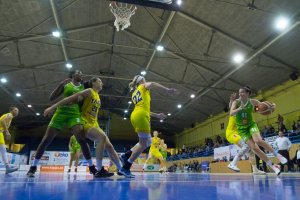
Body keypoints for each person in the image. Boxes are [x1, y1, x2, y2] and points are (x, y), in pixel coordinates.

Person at [44, 77, 123, 177]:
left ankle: (121, 169)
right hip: (85, 122)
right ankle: (100, 170)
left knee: (110, 146)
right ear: (93, 83)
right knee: (101, 137)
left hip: (94, 123)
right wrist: (52, 107)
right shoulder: (89, 91)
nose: (102, 83)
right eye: (99, 81)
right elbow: (70, 98)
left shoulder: (97, 96)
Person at [27, 70, 96, 177]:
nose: (81, 74)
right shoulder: (66, 85)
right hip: (61, 112)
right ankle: (33, 167)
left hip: (75, 114)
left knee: (82, 139)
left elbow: (85, 100)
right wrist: (60, 85)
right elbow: (51, 98)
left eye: (82, 72)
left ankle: (92, 168)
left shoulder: (84, 87)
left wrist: (80, 100)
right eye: (78, 72)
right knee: (46, 140)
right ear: (72, 75)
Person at [120, 75, 177, 177]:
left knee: (148, 142)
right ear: (141, 80)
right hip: (141, 116)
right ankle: (126, 167)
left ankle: (126, 155)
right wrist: (167, 90)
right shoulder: (142, 86)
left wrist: (157, 115)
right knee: (143, 144)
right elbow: (153, 84)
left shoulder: (134, 93)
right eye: (144, 79)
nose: (145, 80)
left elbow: (145, 108)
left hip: (136, 115)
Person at [230, 86, 287, 175]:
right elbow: (231, 113)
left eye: (242, 92)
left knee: (258, 141)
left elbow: (259, 108)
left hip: (251, 125)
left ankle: (278, 155)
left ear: (248, 93)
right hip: (242, 129)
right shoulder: (236, 102)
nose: (240, 94)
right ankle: (273, 166)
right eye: (239, 92)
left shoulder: (252, 101)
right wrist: (239, 108)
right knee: (254, 148)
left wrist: (271, 107)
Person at [225, 93, 265, 175]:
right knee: (246, 146)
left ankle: (255, 170)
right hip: (230, 133)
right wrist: (232, 100)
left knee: (251, 152)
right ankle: (233, 163)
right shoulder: (235, 113)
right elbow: (231, 108)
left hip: (238, 134)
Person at [0, 106, 19, 174]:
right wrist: (7, 132)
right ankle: (7, 167)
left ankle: (7, 167)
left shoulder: (10, 117)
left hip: (0, 133)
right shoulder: (9, 115)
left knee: (3, 150)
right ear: (11, 110)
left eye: (17, 111)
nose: (17, 112)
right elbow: (2, 121)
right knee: (3, 150)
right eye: (15, 110)